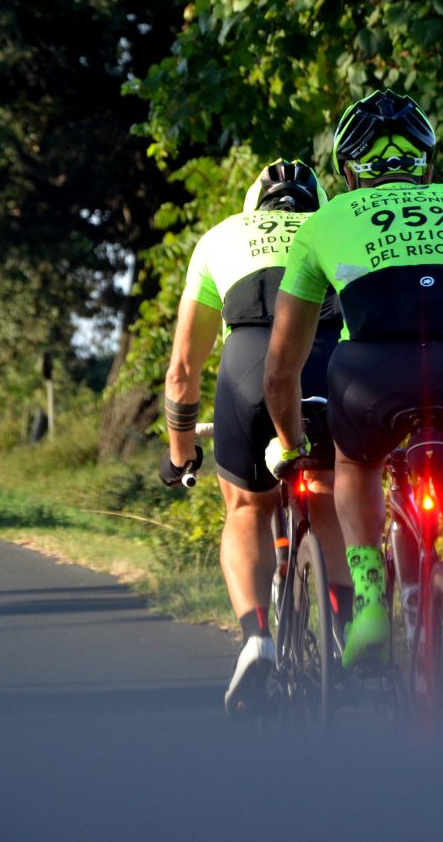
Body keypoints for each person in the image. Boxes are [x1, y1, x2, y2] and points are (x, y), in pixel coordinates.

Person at [263, 91, 443, 724]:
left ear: (350, 171)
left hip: (371, 378)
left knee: (356, 466)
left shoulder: (323, 224)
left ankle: (371, 602)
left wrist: (293, 442)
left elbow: (281, 367)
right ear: (426, 164)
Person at [160, 159, 350, 718]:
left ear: (253, 207)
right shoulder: (336, 228)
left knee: (246, 509)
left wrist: (180, 456)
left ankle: (256, 639)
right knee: (333, 501)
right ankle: (347, 634)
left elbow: (181, 371)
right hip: (328, 365)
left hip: (247, 367)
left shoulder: (220, 238)